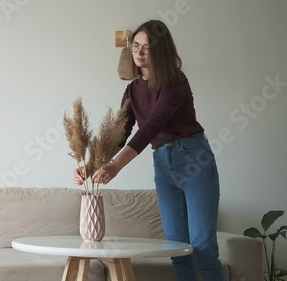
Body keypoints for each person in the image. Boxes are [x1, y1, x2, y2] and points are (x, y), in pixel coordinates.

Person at [74, 19, 226, 281]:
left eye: (147, 47)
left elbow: (152, 126)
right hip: (163, 165)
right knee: (178, 251)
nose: (139, 53)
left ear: (161, 51)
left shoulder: (175, 81)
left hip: (194, 159)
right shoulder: (132, 89)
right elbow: (120, 134)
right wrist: (91, 165)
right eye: (135, 46)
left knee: (203, 250)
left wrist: (116, 166)